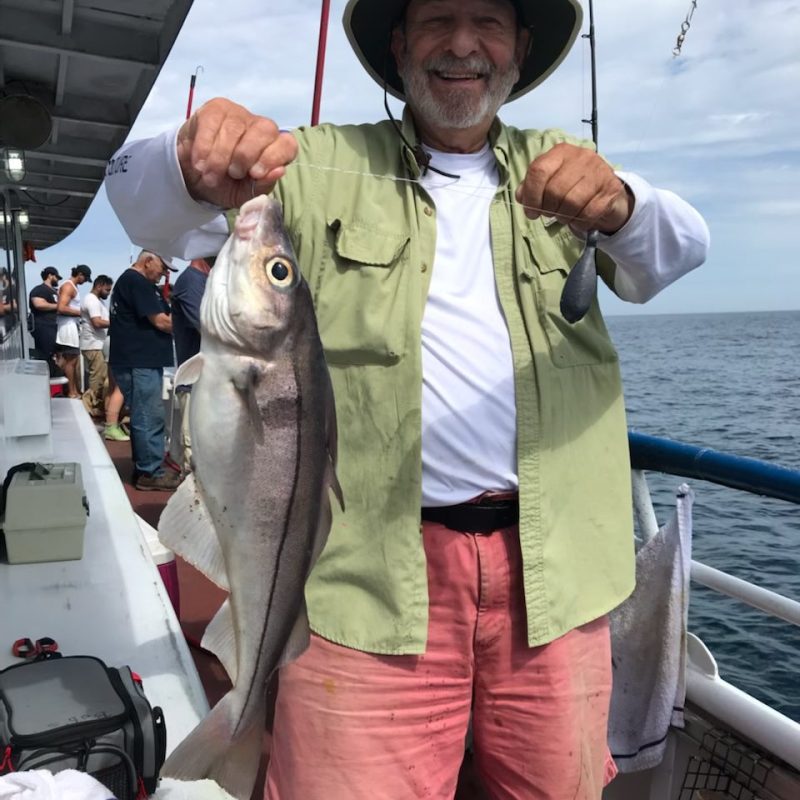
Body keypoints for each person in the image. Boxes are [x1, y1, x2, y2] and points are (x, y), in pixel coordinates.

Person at [106, 0, 711, 797]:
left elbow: (678, 251)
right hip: (365, 575)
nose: (463, 44)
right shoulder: (313, 164)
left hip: (554, 578)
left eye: (489, 21)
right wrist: (187, 161)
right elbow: (139, 205)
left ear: (521, 49)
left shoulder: (568, 167)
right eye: (436, 19)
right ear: (398, 44)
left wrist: (623, 202)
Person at [108, 250, 180, 492]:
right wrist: (196, 324)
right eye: (163, 268)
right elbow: (160, 321)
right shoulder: (137, 282)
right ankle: (150, 472)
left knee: (143, 415)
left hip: (137, 360)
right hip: (140, 362)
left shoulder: (135, 283)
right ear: (148, 261)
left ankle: (145, 467)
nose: (164, 274)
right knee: (149, 416)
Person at [168, 257, 214, 472]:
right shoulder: (191, 281)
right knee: (194, 452)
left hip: (209, 385)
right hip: (194, 383)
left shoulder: (202, 281)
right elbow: (207, 329)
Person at [79, 274, 130, 442]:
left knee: (104, 383)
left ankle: (102, 416)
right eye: (107, 289)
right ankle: (89, 415)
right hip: (93, 344)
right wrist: (119, 321)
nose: (108, 293)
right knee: (97, 382)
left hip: (98, 344)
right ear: (99, 285)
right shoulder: (92, 300)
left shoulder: (95, 300)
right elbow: (97, 322)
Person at [55, 264, 92, 398]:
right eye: (85, 278)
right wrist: (82, 313)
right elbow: (61, 307)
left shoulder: (72, 286)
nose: (84, 282)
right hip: (67, 327)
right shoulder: (68, 286)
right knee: (72, 361)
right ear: (80, 274)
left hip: (71, 326)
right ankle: (71, 392)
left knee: (69, 360)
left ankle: (71, 389)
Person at [28, 266, 62, 369]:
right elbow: (39, 304)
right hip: (43, 327)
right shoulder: (39, 289)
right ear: (50, 275)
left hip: (55, 327)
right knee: (46, 355)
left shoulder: (56, 292)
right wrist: (59, 306)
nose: (58, 280)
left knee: (58, 354)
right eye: (57, 277)